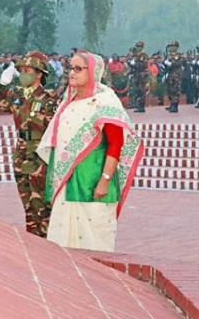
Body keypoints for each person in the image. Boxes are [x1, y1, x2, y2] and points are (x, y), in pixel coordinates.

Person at [36, 50, 144, 252]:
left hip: (95, 185)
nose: (72, 73)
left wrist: (104, 181)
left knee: (94, 248)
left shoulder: (105, 103)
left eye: (78, 69)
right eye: (70, 68)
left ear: (92, 72)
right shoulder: (68, 103)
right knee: (63, 247)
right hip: (68, 183)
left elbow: (116, 144)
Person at [0, 51, 59, 237]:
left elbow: (54, 130)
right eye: (21, 70)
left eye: (27, 70)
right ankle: (34, 246)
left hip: (40, 159)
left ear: (39, 74)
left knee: (43, 209)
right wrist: (2, 84)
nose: (23, 74)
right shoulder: (18, 96)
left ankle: (48, 248)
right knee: (28, 208)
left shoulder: (49, 100)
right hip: (21, 157)